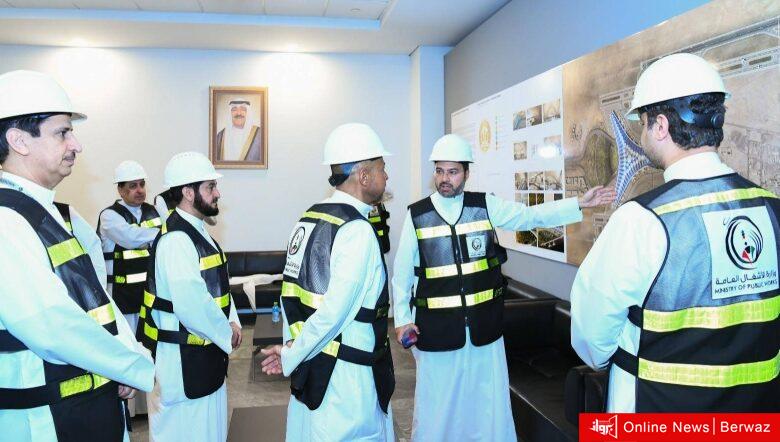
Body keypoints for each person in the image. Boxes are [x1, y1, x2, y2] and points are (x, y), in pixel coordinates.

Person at [570, 53, 779, 412]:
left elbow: (591, 336)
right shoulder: (772, 209)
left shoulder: (641, 220)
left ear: (661, 126)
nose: (642, 133)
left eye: (643, 123)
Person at [392, 133, 614, 441]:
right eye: (440, 171)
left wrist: (578, 203)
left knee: (487, 404)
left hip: (483, 330)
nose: (445, 179)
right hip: (437, 330)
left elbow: (529, 216)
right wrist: (403, 319)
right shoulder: (417, 215)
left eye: (453, 172)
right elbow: (402, 274)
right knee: (438, 406)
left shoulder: (484, 205)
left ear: (466, 173)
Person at [0, 70, 154, 441]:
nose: (76, 145)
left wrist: (126, 355)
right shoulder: (6, 221)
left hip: (85, 405)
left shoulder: (42, 210)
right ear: (19, 141)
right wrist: (130, 364)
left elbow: (94, 297)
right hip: (48, 419)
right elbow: (53, 325)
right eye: (62, 133)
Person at [261, 123, 395, 441]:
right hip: (347, 382)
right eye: (382, 168)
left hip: (314, 369)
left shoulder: (308, 219)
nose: (387, 176)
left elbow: (291, 300)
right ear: (364, 176)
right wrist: (291, 355)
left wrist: (292, 349)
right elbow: (333, 313)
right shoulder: (356, 231)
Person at [139, 151, 241, 441]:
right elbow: (191, 305)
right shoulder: (176, 239)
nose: (217, 193)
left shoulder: (197, 232)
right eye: (211, 187)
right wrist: (228, 332)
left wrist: (232, 321)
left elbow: (218, 287)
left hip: (204, 357)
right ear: (187, 192)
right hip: (183, 365)